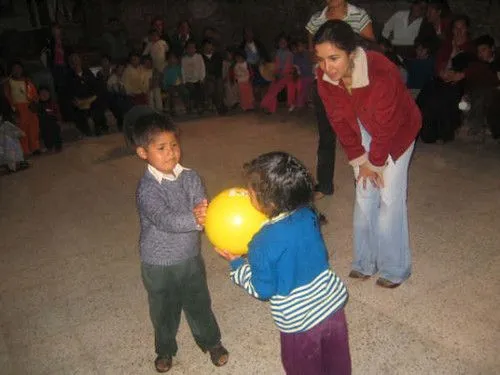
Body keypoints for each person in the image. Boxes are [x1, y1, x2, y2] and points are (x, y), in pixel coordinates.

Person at [215, 151, 350, 375]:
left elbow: (263, 289)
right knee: (337, 365)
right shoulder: (309, 214)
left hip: (299, 325)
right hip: (333, 309)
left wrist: (238, 266)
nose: (247, 196)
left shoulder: (261, 242)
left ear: (269, 201)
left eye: (250, 192)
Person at [315, 20, 421, 288]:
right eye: (321, 59)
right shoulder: (324, 76)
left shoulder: (381, 71)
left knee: (389, 198)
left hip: (398, 129)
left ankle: (395, 268)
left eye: (334, 58)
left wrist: (375, 164)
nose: (327, 67)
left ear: (351, 52)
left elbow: (387, 128)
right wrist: (360, 161)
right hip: (360, 123)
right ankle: (365, 261)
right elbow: (338, 121)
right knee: (364, 192)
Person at [133, 112, 229, 373]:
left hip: (189, 257)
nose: (171, 153)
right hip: (158, 264)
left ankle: (211, 342)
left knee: (199, 301)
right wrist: (196, 218)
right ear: (143, 153)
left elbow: (200, 203)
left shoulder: (190, 176)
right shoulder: (147, 189)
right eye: (161, 148)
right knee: (164, 309)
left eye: (174, 145)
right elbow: (164, 219)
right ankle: (165, 349)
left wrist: (207, 215)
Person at [306, 0, 375, 199]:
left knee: (360, 132)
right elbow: (313, 51)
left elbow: (370, 47)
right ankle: (325, 184)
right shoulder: (316, 20)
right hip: (325, 83)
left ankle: (363, 182)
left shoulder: (358, 15)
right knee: (326, 135)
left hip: (354, 84)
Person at [417, 15, 476, 143]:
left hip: (460, 84)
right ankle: (428, 133)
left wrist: (462, 75)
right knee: (429, 91)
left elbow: (477, 67)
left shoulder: (472, 47)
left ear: (467, 29)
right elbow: (439, 66)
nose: (459, 31)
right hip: (443, 80)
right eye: (456, 28)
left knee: (447, 94)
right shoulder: (446, 46)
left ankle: (444, 133)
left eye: (462, 28)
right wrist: (452, 55)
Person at [66, 53, 108, 136]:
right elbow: (69, 92)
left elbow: (95, 86)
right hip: (79, 101)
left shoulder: (87, 72)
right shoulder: (69, 76)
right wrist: (78, 101)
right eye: (73, 61)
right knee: (79, 113)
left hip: (90, 99)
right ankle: (86, 131)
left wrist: (92, 98)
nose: (76, 63)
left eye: (77, 60)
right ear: (71, 64)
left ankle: (99, 127)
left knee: (98, 104)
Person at [3, 61, 41, 155]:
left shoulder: (27, 80)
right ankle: (25, 150)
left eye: (19, 68)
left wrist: (35, 101)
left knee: (33, 127)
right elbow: (7, 95)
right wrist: (12, 108)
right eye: (14, 68)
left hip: (29, 106)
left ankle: (35, 147)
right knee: (22, 129)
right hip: (18, 107)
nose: (17, 70)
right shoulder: (9, 81)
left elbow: (34, 92)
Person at [260, 34, 295, 114]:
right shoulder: (278, 52)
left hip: (286, 75)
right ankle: (271, 109)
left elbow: (288, 66)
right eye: (280, 42)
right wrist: (275, 73)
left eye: (284, 42)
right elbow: (276, 64)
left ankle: (264, 104)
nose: (282, 43)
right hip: (277, 74)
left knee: (274, 90)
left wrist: (280, 74)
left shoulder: (289, 54)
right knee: (272, 89)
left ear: (287, 43)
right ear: (278, 43)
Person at [201, 39, 226, 115]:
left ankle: (219, 105)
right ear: (203, 47)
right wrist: (208, 76)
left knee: (219, 86)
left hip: (217, 76)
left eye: (210, 45)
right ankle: (218, 105)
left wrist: (217, 77)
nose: (209, 47)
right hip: (207, 77)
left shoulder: (217, 56)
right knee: (211, 86)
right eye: (207, 46)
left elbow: (220, 68)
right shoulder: (200, 57)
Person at [181, 40, 206, 115]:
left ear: (195, 49)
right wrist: (184, 81)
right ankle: (191, 106)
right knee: (191, 88)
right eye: (189, 48)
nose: (191, 50)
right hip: (188, 81)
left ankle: (199, 106)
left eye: (193, 48)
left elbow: (202, 68)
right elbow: (182, 71)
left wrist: (202, 78)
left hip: (198, 79)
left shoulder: (199, 57)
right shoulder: (184, 59)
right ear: (186, 49)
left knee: (200, 87)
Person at [290, 40, 314, 111]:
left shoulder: (308, 53)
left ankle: (307, 102)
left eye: (302, 46)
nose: (300, 47)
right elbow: (295, 66)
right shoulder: (296, 55)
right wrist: (297, 72)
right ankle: (300, 104)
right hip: (303, 76)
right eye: (299, 46)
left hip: (310, 75)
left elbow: (312, 62)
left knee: (309, 90)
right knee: (302, 90)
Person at [37, 86, 63, 152]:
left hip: (54, 122)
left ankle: (58, 146)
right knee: (46, 136)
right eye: (42, 94)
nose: (44, 95)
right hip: (44, 124)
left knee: (56, 134)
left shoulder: (53, 103)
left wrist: (59, 120)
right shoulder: (39, 105)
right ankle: (49, 146)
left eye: (46, 93)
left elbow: (57, 112)